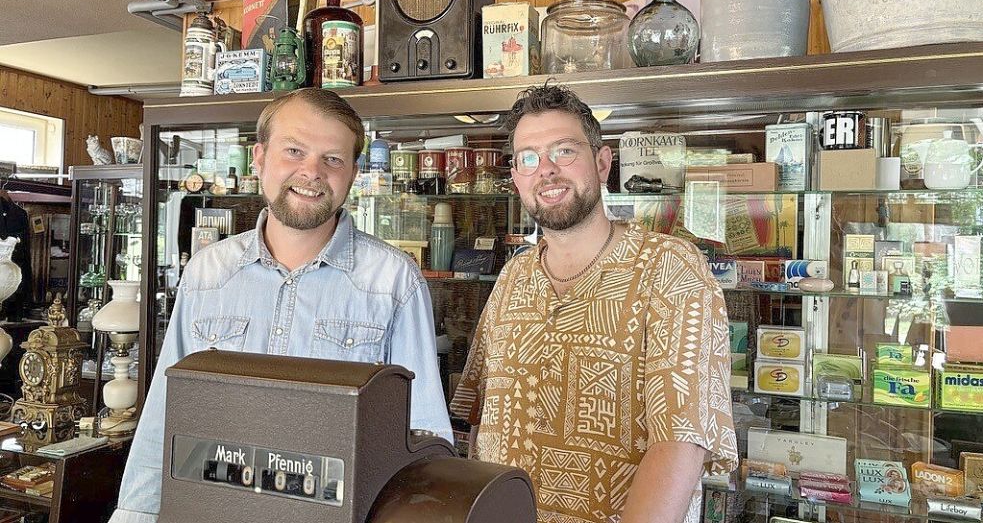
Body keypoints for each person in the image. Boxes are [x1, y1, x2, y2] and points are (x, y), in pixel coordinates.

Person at [111, 88, 452, 523]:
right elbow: (164, 412)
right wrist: (136, 514)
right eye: (294, 150)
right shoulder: (207, 273)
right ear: (259, 157)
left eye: (333, 159)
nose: (311, 172)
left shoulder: (393, 281)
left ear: (353, 173)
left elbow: (422, 439)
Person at [450, 84, 738, 523]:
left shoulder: (669, 267)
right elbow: (479, 419)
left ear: (602, 163)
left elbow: (680, 441)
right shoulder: (514, 275)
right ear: (516, 178)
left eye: (564, 151)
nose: (545, 170)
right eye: (528, 158)